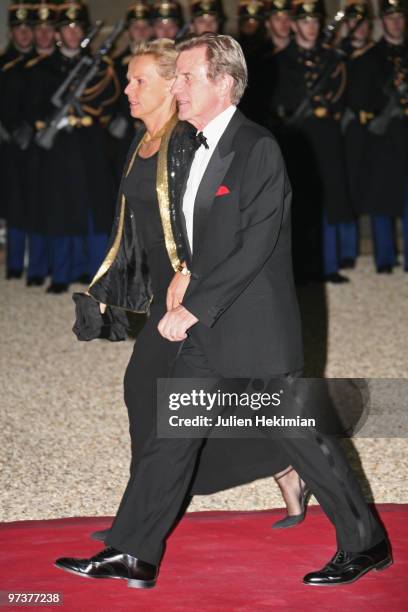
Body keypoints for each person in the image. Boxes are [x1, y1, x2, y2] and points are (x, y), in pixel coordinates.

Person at [55, 33, 390, 589]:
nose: (177, 87)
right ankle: (132, 551)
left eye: (187, 77)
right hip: (208, 331)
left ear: (224, 83)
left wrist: (194, 306)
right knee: (171, 436)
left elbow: (256, 243)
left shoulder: (256, 146)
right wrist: (181, 272)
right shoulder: (186, 143)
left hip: (255, 328)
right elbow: (188, 231)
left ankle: (366, 542)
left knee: (303, 439)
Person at [24, 0, 120, 293]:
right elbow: (32, 108)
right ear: (57, 32)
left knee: (94, 212)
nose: (73, 32)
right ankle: (62, 274)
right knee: (60, 212)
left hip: (90, 149)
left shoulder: (100, 66)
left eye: (77, 26)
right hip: (58, 152)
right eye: (66, 27)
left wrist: (87, 118)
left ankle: (94, 273)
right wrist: (49, 123)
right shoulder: (42, 68)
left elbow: (110, 103)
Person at [264, 0, 355, 284]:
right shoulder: (278, 60)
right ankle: (301, 266)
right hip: (296, 139)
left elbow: (341, 93)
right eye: (305, 22)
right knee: (297, 202)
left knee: (328, 199)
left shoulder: (331, 59)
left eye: (315, 21)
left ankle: (328, 264)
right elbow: (273, 100)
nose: (312, 27)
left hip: (326, 138)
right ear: (293, 25)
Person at [344, 0, 407, 273]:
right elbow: (360, 96)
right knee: (382, 198)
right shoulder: (370, 55)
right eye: (389, 18)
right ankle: (385, 258)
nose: (395, 22)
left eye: (399, 17)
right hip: (383, 136)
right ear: (382, 21)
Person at [0, 1, 34, 279]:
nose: (23, 34)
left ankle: (35, 261)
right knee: (13, 204)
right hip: (9, 145)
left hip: (38, 144)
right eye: (18, 28)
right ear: (11, 32)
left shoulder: (43, 62)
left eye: (28, 28)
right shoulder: (3, 63)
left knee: (38, 203)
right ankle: (13, 262)